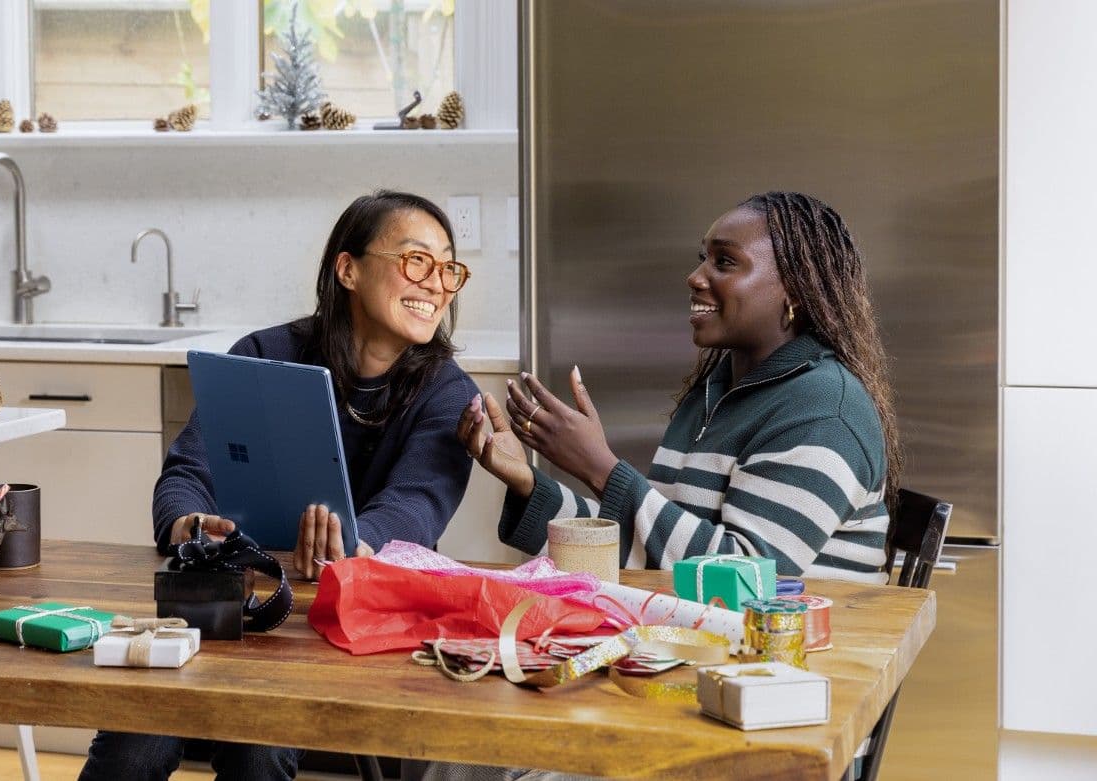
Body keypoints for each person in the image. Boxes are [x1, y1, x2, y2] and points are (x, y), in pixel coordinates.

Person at [79, 190, 480, 781]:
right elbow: (189, 471)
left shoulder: (448, 393)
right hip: (234, 603)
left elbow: (416, 509)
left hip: (357, 621)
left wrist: (350, 546)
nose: (436, 284)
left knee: (260, 747)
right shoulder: (265, 355)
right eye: (416, 260)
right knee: (138, 733)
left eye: (448, 269)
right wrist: (190, 526)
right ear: (348, 268)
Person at [460, 191, 900, 584]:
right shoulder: (718, 391)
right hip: (714, 644)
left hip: (797, 660)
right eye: (702, 258)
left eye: (724, 261)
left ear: (796, 291)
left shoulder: (823, 409)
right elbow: (658, 548)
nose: (695, 276)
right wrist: (527, 485)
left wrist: (600, 468)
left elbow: (748, 581)